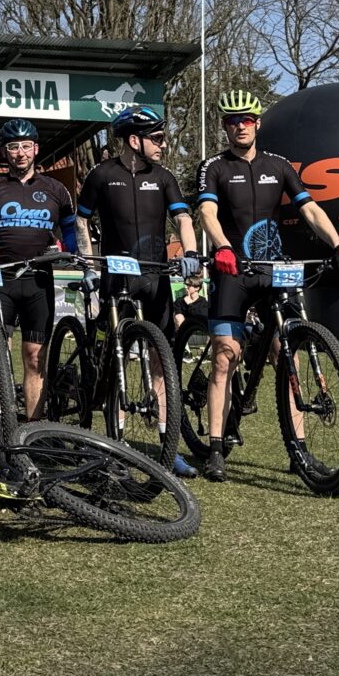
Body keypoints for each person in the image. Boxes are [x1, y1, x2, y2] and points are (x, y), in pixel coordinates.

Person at [192, 88, 339, 482]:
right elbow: (207, 212)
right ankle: (215, 447)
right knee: (224, 356)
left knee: (289, 355)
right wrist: (223, 247)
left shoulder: (279, 165)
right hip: (232, 269)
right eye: (232, 121)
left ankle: (298, 449)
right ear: (225, 127)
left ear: (257, 123)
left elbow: (310, 209)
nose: (240, 127)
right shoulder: (214, 166)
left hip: (272, 270)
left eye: (246, 120)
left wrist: (338, 244)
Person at [74, 107, 200, 474]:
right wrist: (88, 265)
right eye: (157, 138)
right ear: (134, 140)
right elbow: (81, 219)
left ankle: (166, 445)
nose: (164, 145)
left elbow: (183, 217)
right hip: (116, 278)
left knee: (161, 359)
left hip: (155, 278)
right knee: (116, 358)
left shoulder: (163, 177)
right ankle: (117, 443)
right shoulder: (102, 174)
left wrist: (191, 253)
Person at [0, 118, 77, 421]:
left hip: (38, 282)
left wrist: (68, 251)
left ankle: (34, 426)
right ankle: (1, 421)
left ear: (36, 149)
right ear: (5, 152)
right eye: (13, 147)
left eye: (26, 146)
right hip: (1, 280)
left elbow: (70, 230)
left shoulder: (56, 189)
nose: (20, 153)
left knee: (34, 357)